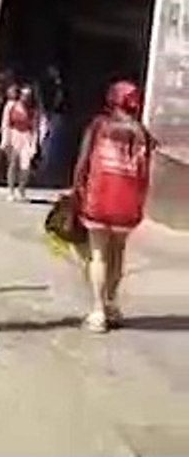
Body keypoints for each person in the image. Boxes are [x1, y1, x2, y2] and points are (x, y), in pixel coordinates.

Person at [72, 81, 154, 333]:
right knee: (118, 253)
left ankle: (97, 311)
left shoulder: (99, 126)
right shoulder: (143, 133)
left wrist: (76, 190)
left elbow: (83, 162)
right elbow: (145, 174)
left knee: (98, 254)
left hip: (99, 199)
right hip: (127, 205)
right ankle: (111, 303)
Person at [0, 85, 44, 202]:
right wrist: (5, 140)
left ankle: (21, 189)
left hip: (26, 137)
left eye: (28, 96)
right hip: (14, 135)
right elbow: (6, 123)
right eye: (24, 95)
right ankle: (11, 191)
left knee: (25, 166)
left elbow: (35, 128)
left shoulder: (33, 111)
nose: (25, 98)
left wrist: (34, 144)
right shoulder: (11, 106)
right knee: (13, 164)